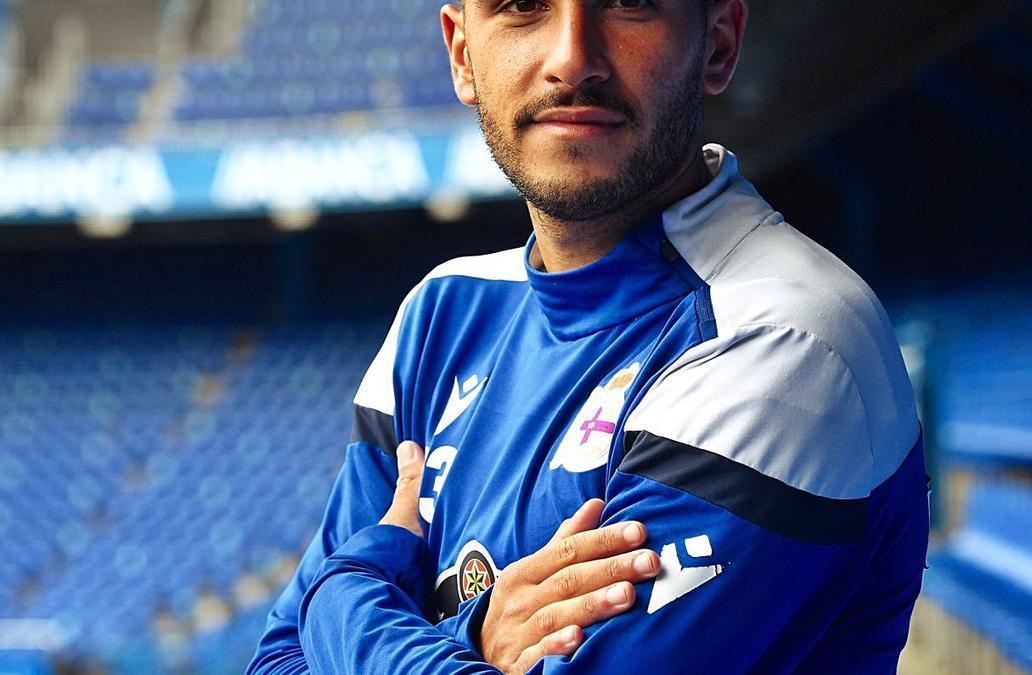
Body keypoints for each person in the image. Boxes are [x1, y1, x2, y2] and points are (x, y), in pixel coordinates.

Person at [247, 0, 929, 672]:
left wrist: (345, 595)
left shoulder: (785, 340)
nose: (573, 59)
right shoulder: (440, 316)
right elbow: (277, 662)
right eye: (522, 6)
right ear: (462, 55)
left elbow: (315, 629)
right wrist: (478, 638)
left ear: (718, 43)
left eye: (628, 4)